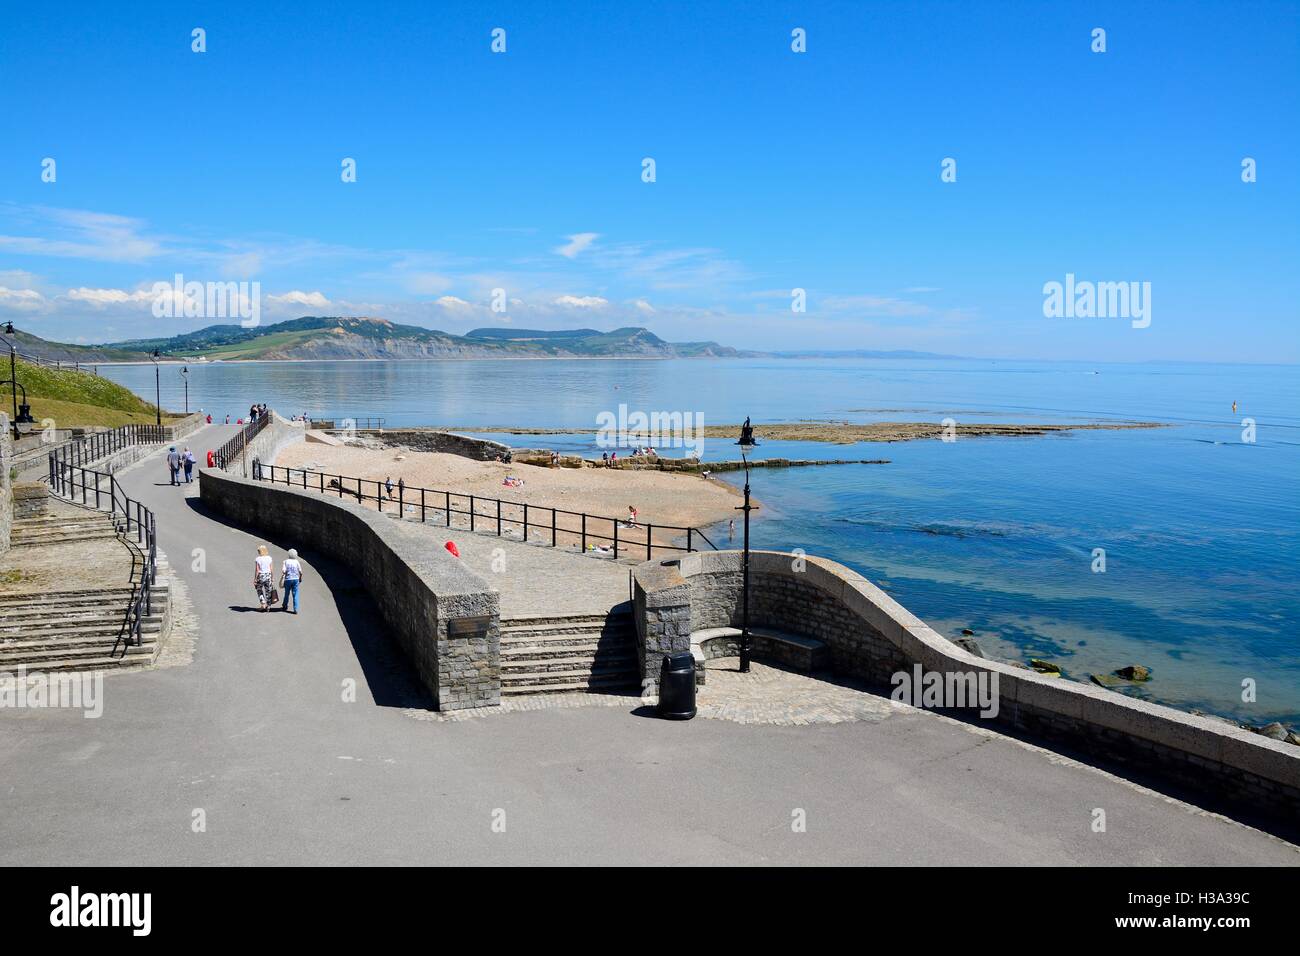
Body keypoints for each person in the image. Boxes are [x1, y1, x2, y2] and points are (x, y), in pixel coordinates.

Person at [280, 549, 303, 614]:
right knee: (295, 594)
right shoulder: (297, 562)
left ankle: (284, 606)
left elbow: (283, 571)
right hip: (296, 579)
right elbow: (301, 572)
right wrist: (300, 578)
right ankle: (295, 609)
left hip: (288, 579)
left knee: (286, 594)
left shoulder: (285, 561)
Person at [253, 545, 275, 612]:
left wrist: (255, 579)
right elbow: (271, 569)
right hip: (268, 575)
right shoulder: (269, 558)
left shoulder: (258, 559)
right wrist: (272, 577)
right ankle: (268, 606)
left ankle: (263, 603)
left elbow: (257, 570)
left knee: (259, 589)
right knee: (268, 591)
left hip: (261, 576)